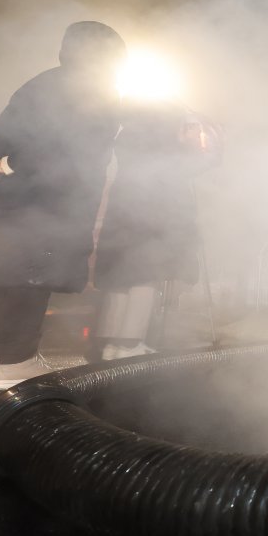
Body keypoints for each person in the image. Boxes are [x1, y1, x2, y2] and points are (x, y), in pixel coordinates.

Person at [0, 21, 125, 389]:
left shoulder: (39, 82)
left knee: (0, 275)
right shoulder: (98, 90)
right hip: (54, 200)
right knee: (32, 275)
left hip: (9, 198)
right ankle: (17, 361)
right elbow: (78, 152)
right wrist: (14, 166)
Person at [93, 102, 219, 360]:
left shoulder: (130, 131)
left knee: (120, 275)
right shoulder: (164, 138)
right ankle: (129, 345)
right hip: (153, 213)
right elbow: (194, 164)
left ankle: (111, 346)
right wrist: (194, 140)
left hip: (123, 208)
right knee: (144, 276)